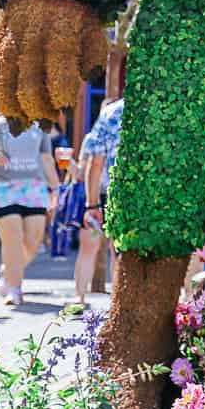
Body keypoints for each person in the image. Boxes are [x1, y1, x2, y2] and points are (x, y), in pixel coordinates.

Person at [0, 111, 60, 307]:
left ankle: (9, 272)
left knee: (33, 241)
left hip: (34, 187)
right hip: (3, 187)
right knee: (13, 238)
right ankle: (15, 289)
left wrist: (56, 188)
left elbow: (46, 159)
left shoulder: (40, 126)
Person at [73, 97, 123, 306]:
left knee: (88, 247)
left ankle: (79, 296)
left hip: (101, 194)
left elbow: (95, 163)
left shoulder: (111, 114)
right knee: (120, 252)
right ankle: (118, 302)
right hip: (127, 196)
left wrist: (91, 204)